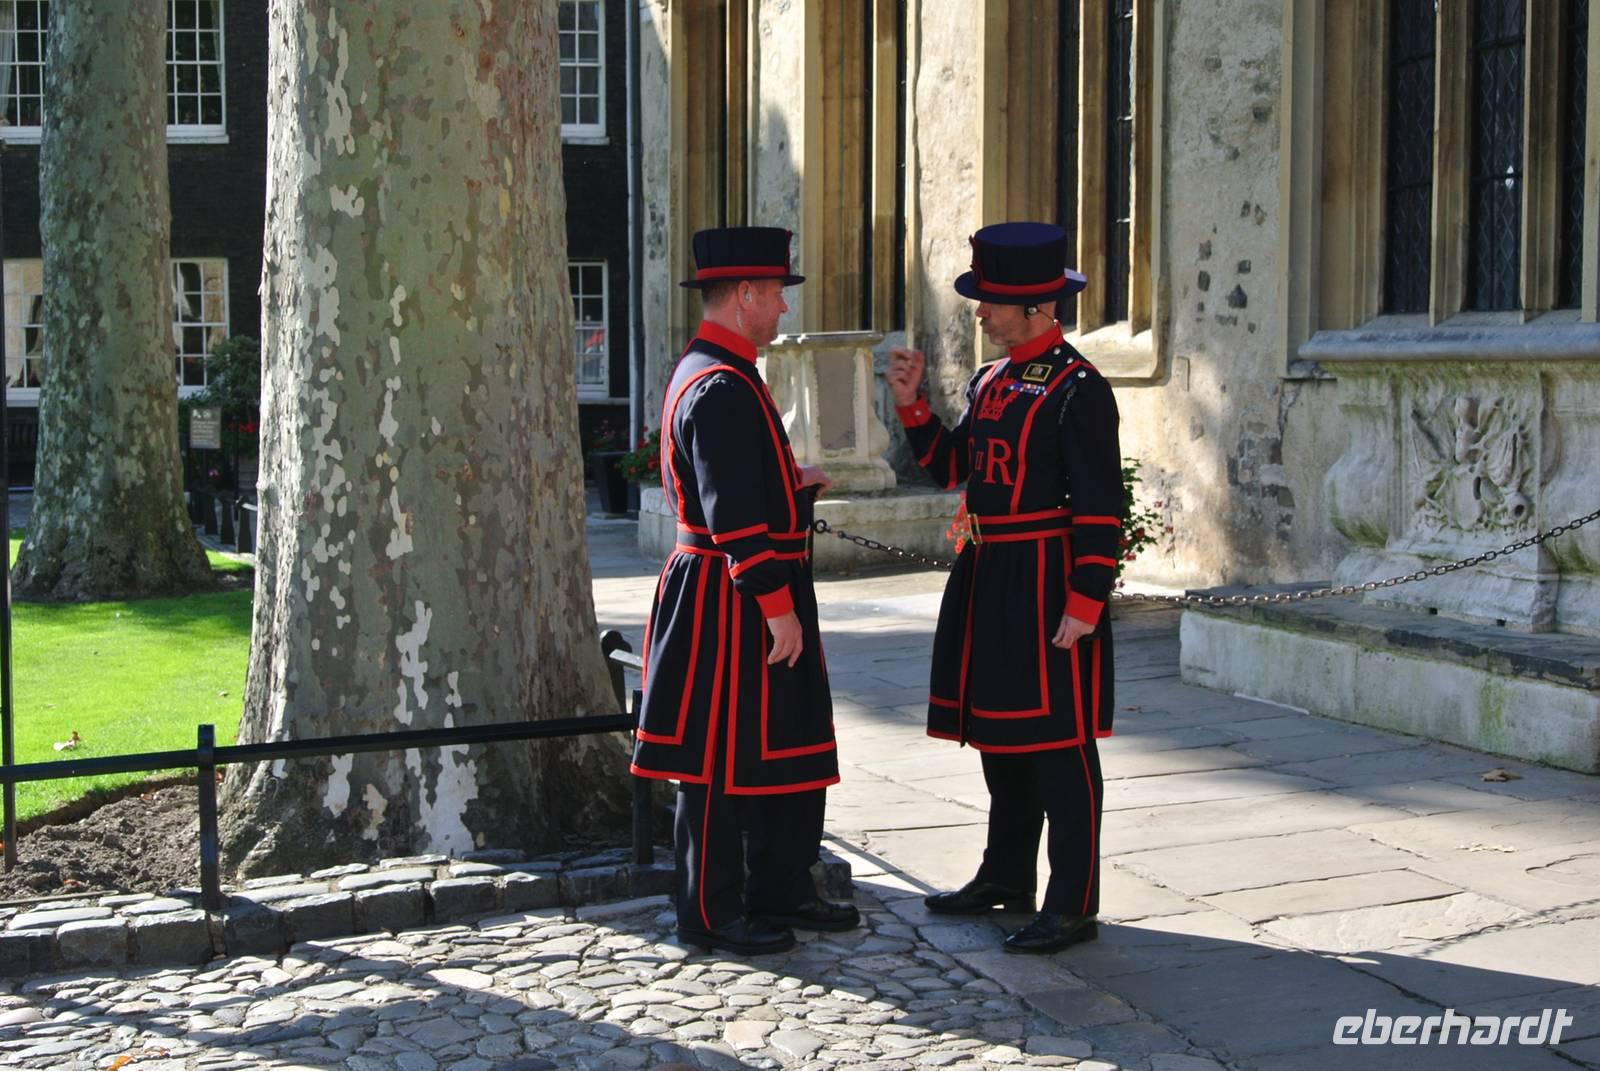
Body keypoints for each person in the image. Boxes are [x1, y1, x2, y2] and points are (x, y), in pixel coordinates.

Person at [885, 221, 1123, 954]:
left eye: (991, 301)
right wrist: (913, 404)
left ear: (1038, 308)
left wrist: (1085, 601)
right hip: (988, 576)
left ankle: (1073, 898)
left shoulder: (1080, 389)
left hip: (1049, 580)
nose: (979, 313)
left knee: (1059, 743)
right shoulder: (992, 380)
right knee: (1002, 738)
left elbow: (1100, 504)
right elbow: (953, 466)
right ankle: (1006, 876)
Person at [631, 225, 860, 956]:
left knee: (782, 744)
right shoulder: (720, 384)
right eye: (779, 296)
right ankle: (710, 910)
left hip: (746, 592)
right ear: (749, 294)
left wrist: (792, 490)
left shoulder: (725, 372)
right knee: (717, 762)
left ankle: (780, 886)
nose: (784, 311)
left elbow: (738, 487)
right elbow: (729, 513)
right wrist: (776, 606)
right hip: (729, 602)